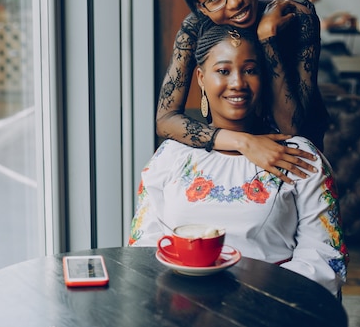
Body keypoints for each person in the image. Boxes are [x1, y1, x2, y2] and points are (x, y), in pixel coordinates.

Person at [130, 24, 348, 297]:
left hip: (272, 310)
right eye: (223, 71)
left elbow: (324, 258)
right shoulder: (170, 158)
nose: (237, 83)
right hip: (183, 308)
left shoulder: (298, 156)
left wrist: (250, 302)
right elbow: (145, 247)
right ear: (200, 77)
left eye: (250, 70)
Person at [156, 0, 328, 185]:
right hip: (229, 156)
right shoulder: (194, 28)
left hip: (294, 164)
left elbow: (293, 129)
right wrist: (243, 142)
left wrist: (267, 36)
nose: (234, 2)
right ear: (200, 8)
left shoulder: (296, 18)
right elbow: (165, 120)